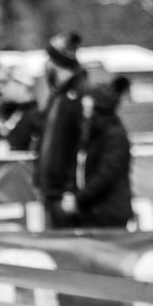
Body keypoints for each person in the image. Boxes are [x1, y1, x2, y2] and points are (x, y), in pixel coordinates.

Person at [33, 32, 87, 230]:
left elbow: (83, 148)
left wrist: (72, 191)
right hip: (52, 191)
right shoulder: (57, 98)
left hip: (65, 193)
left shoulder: (78, 98)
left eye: (50, 61)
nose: (46, 67)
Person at [73, 77, 134, 230]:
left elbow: (106, 175)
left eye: (87, 107)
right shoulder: (94, 134)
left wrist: (79, 199)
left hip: (108, 214)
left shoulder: (114, 135)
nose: (84, 112)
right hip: (95, 211)